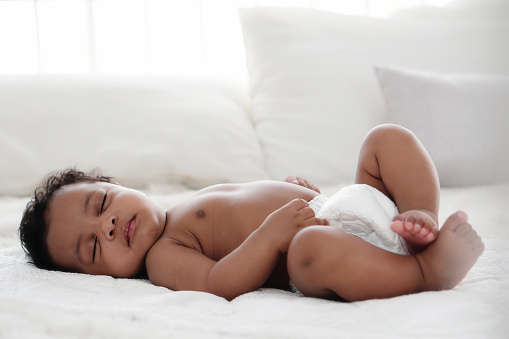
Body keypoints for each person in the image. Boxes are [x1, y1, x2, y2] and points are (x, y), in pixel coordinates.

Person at [19, 124, 484, 301]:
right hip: (335, 251)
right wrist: (272, 233)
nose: (109, 224)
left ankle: (418, 215)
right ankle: (423, 270)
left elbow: (248, 203)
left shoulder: (186, 205)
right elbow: (218, 282)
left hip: (343, 210)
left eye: (101, 204)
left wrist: (297, 193)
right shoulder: (163, 256)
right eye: (93, 246)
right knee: (309, 249)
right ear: (102, 278)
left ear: (116, 185)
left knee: (384, 141)